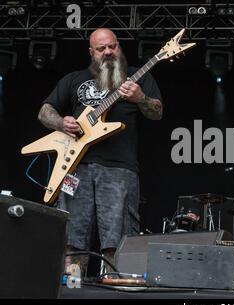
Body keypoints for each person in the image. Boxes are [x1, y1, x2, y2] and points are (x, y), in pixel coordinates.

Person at [37, 28, 163, 274]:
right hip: (74, 167)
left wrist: (140, 98)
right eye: (101, 48)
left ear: (119, 46)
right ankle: (73, 288)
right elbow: (44, 112)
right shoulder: (74, 79)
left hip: (118, 167)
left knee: (116, 239)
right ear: (91, 52)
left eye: (112, 46)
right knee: (73, 239)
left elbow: (157, 112)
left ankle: (114, 286)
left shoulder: (137, 78)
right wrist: (62, 122)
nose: (108, 52)